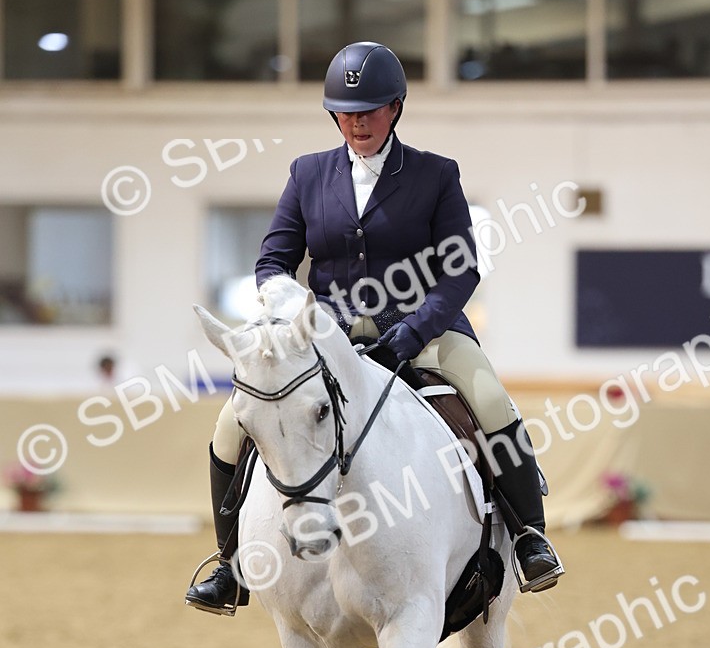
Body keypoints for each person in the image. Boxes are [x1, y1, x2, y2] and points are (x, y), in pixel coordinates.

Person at [186, 41, 563, 615]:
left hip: (426, 330)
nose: (357, 121)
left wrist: (413, 333)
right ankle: (229, 564)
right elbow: (273, 261)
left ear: (396, 108)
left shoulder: (436, 175)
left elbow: (460, 270)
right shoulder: (308, 174)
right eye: (346, 111)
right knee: (230, 424)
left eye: (370, 109)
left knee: (490, 400)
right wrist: (286, 308)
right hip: (328, 333)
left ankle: (531, 537)